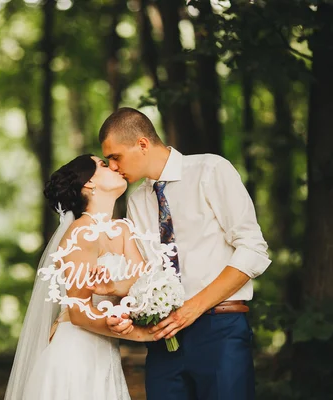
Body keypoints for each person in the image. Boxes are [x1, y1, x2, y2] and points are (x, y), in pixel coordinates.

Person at [98, 107, 272, 400]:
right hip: (163, 337)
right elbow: (145, 273)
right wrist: (118, 299)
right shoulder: (137, 201)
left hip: (220, 329)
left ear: (142, 144)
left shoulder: (211, 170)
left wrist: (194, 307)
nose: (112, 166)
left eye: (115, 157)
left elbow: (253, 248)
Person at [4, 154, 155, 400]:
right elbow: (78, 312)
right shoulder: (81, 233)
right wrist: (138, 334)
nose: (114, 167)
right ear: (89, 183)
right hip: (75, 357)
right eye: (104, 165)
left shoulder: (123, 229)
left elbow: (143, 280)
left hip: (105, 354)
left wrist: (112, 287)